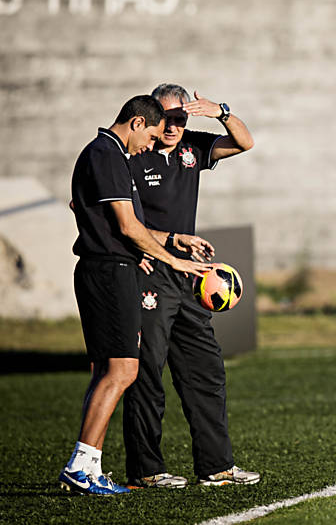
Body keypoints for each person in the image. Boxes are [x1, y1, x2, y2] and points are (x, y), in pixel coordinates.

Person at [61, 95, 212, 496]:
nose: (153, 143)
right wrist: (173, 261)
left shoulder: (109, 154)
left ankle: (87, 466)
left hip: (115, 267)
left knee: (111, 370)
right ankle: (82, 464)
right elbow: (128, 227)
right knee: (123, 371)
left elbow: (123, 227)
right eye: (151, 134)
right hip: (108, 273)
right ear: (136, 123)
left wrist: (149, 248)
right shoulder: (107, 154)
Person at [124, 84, 258, 488]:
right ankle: (147, 470)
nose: (174, 126)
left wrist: (221, 112)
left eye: (182, 118)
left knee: (206, 370)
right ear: (151, 117)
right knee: (148, 372)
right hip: (148, 270)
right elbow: (114, 216)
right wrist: (167, 240)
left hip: (189, 275)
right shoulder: (132, 154)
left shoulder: (193, 148)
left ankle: (217, 466)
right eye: (167, 118)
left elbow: (245, 142)